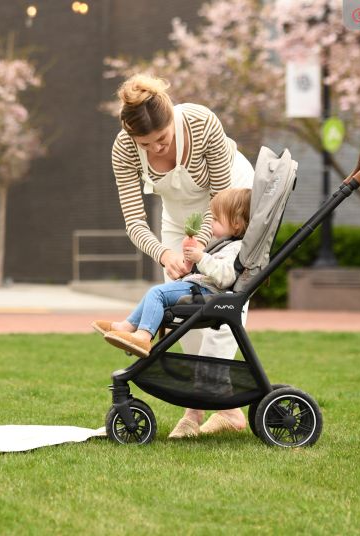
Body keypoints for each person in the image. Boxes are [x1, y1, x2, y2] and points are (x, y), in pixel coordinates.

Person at [96, 73, 253, 438]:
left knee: (221, 304)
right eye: (144, 144)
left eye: (161, 140)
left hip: (229, 206)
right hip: (178, 219)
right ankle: (227, 410)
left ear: (172, 121)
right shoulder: (123, 148)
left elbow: (221, 203)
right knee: (184, 311)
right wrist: (166, 254)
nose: (154, 150)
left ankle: (194, 410)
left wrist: (197, 251)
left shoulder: (200, 122)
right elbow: (134, 222)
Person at [98, 188, 250, 357]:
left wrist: (201, 257)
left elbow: (225, 277)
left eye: (215, 219)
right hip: (199, 287)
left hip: (207, 292)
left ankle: (142, 336)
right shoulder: (228, 243)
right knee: (156, 294)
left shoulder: (236, 248)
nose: (211, 223)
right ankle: (127, 327)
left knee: (157, 293)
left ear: (236, 223)